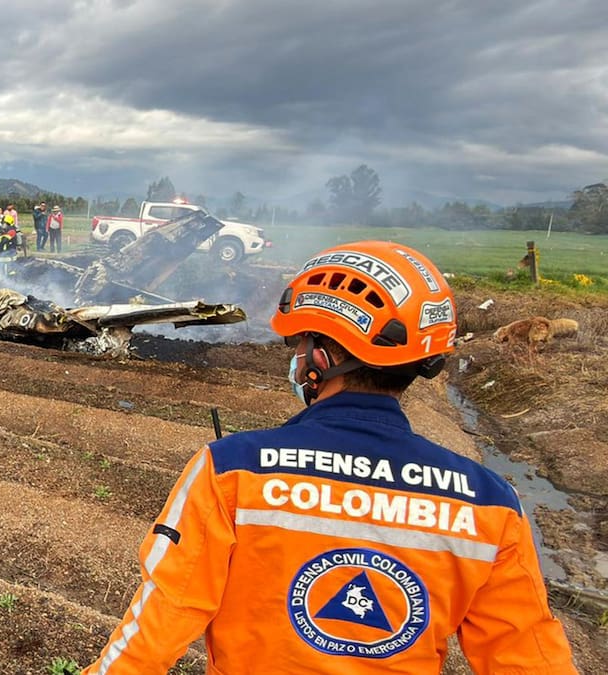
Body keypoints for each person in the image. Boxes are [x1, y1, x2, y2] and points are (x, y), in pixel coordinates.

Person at [84, 241, 576, 675]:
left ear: (321, 359)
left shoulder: (232, 470)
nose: (296, 358)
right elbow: (529, 655)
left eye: (300, 343)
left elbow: (160, 621)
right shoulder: (490, 502)